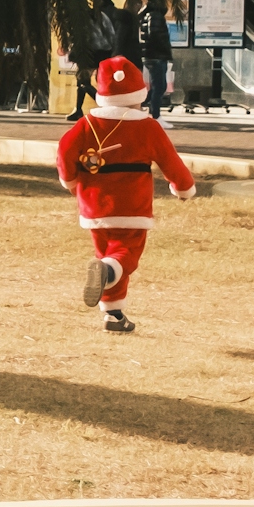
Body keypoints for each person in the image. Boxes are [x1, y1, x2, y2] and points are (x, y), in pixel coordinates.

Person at [56, 53, 200, 334]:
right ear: (139, 93)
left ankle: (114, 314)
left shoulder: (86, 125)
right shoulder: (148, 127)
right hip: (132, 206)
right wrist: (183, 188)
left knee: (108, 254)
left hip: (94, 205)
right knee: (125, 255)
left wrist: (70, 180)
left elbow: (64, 150)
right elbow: (171, 162)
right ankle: (107, 275)